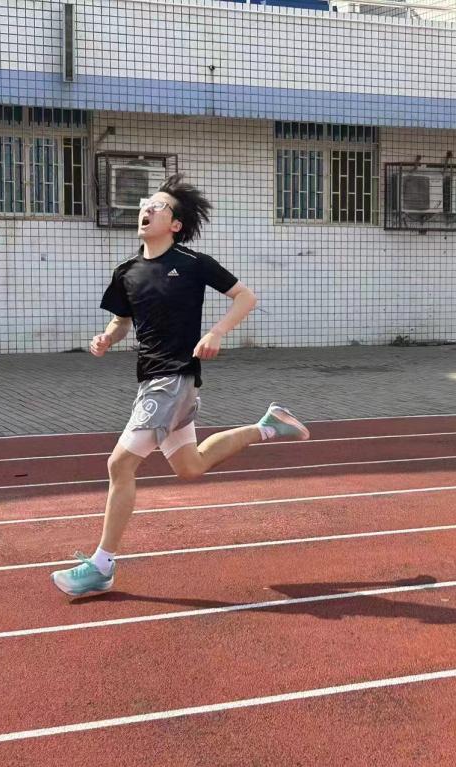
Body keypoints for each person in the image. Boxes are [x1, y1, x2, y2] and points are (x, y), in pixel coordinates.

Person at [52, 174, 309, 597]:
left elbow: (245, 297)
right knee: (190, 467)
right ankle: (267, 426)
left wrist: (217, 332)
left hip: (173, 378)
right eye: (145, 204)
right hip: (153, 378)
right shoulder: (126, 272)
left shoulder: (193, 263)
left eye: (158, 206)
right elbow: (121, 321)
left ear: (175, 224)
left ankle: (101, 565)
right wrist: (106, 338)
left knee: (120, 465)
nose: (146, 209)